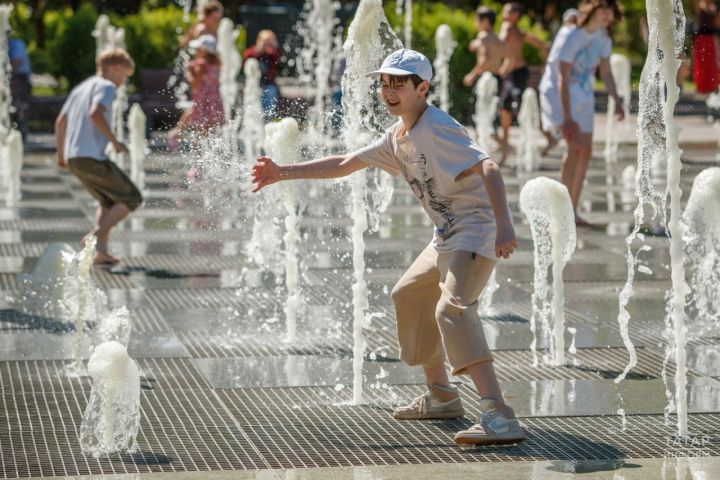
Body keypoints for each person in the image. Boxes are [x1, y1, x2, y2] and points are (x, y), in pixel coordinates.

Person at [251, 49, 525, 446]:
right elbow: (346, 163)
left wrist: (504, 225)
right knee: (410, 295)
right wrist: (281, 172)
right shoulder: (398, 137)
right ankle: (443, 396)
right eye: (384, 82)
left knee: (453, 309)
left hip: (475, 231)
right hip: (447, 235)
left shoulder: (436, 127)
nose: (389, 90)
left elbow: (490, 167)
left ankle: (499, 414)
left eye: (399, 83)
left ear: (422, 87)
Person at [538, 0, 624, 226]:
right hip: (558, 94)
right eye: (603, 10)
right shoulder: (572, 35)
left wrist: (617, 99)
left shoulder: (604, 38)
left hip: (583, 95)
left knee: (585, 150)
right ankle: (563, 210)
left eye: (611, 11)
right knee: (574, 146)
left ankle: (572, 211)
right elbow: (561, 77)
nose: (607, 15)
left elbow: (605, 72)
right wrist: (566, 118)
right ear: (592, 10)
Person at [54, 49, 142, 265]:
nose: (122, 83)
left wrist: (61, 154)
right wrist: (114, 141)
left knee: (108, 200)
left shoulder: (81, 88)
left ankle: (100, 252)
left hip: (76, 158)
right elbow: (95, 113)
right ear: (115, 68)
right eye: (124, 76)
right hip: (92, 157)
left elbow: (60, 122)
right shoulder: (106, 86)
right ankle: (93, 237)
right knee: (132, 197)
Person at [497, 2, 548, 165]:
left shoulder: (508, 27)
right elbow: (542, 45)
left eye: (508, 10)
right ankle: (507, 147)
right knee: (507, 108)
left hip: (518, 74)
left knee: (518, 106)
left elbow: (502, 41)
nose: (504, 12)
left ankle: (510, 148)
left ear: (516, 15)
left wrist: (505, 61)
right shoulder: (519, 32)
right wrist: (545, 63)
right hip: (515, 74)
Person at [540, 8, 580, 156]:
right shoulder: (570, 32)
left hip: (554, 84)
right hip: (554, 84)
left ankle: (560, 144)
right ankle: (564, 146)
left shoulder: (565, 32)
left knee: (560, 123)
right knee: (561, 124)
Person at [463, 7, 506, 90]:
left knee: (479, 102)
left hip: (485, 77)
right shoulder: (497, 38)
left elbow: (485, 59)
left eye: (477, 19)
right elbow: (506, 56)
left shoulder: (482, 36)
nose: (475, 22)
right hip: (497, 78)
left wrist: (472, 75)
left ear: (485, 20)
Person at [244, 30, 281, 120]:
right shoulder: (252, 51)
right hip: (255, 85)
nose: (267, 44)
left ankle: (268, 119)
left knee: (270, 95)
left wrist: (272, 48)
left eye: (270, 41)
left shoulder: (272, 53)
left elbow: (278, 60)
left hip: (269, 84)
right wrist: (258, 50)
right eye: (265, 41)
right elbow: (247, 57)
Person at [692, 0, 720, 93]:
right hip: (701, 38)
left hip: (711, 37)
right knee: (701, 62)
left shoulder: (714, 7)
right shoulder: (700, 5)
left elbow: (717, 24)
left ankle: (712, 86)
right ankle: (701, 86)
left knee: (712, 62)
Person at [8, 36, 32, 141]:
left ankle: (21, 134)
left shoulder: (16, 44)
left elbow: (16, 64)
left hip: (20, 80)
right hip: (16, 79)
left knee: (19, 107)